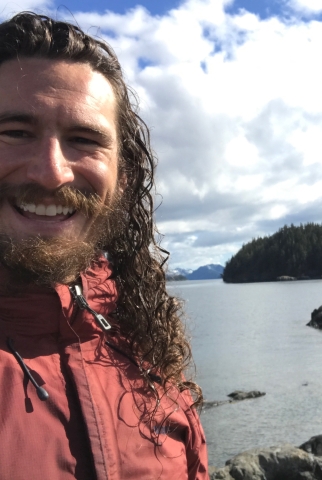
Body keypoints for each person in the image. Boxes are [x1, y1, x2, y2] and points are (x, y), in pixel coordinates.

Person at [0, 12, 208, 479]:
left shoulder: (146, 351)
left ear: (124, 177)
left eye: (84, 140)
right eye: (14, 132)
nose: (52, 172)